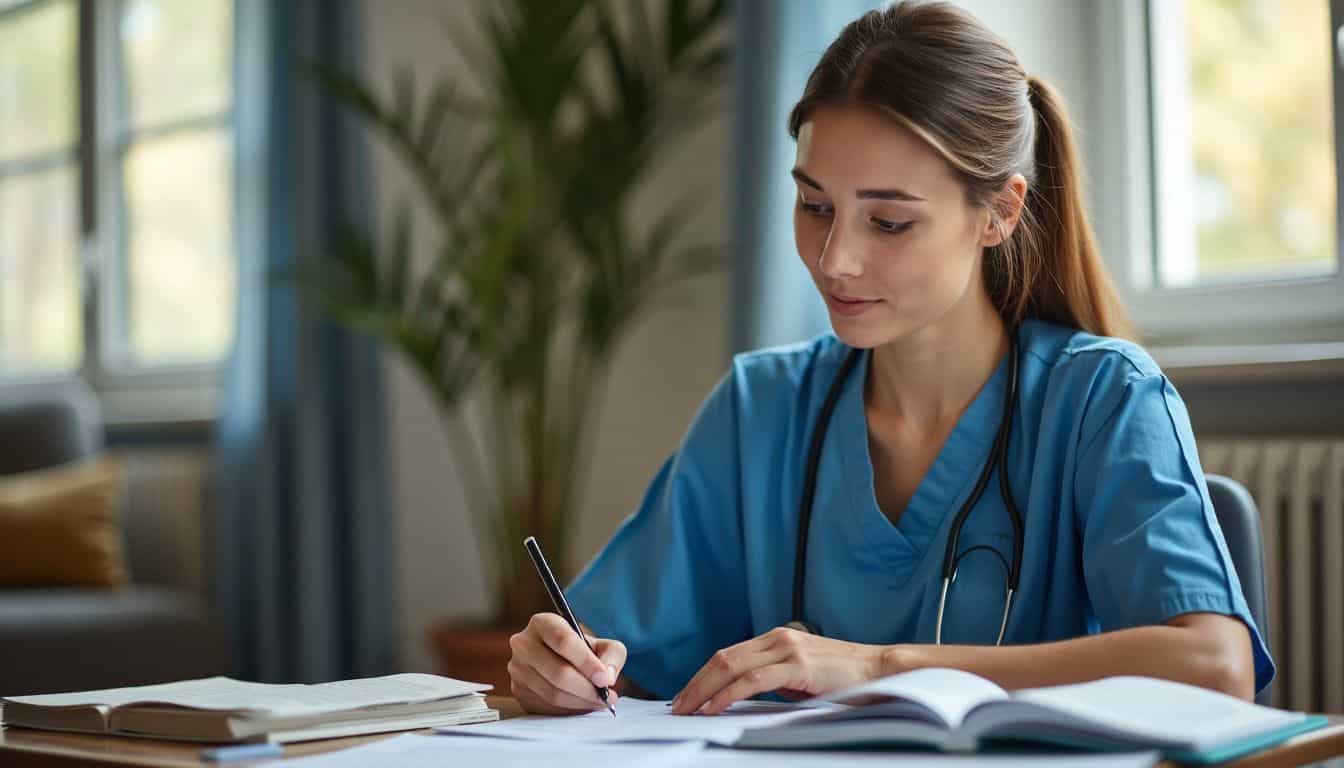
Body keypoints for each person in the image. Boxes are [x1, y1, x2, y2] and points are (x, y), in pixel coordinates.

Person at [506, 0, 1273, 716]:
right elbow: (626, 658)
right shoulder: (760, 409)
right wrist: (567, 670)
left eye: (889, 221)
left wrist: (881, 666)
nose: (835, 259)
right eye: (815, 207)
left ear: (999, 213)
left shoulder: (1103, 399)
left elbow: (1213, 665)